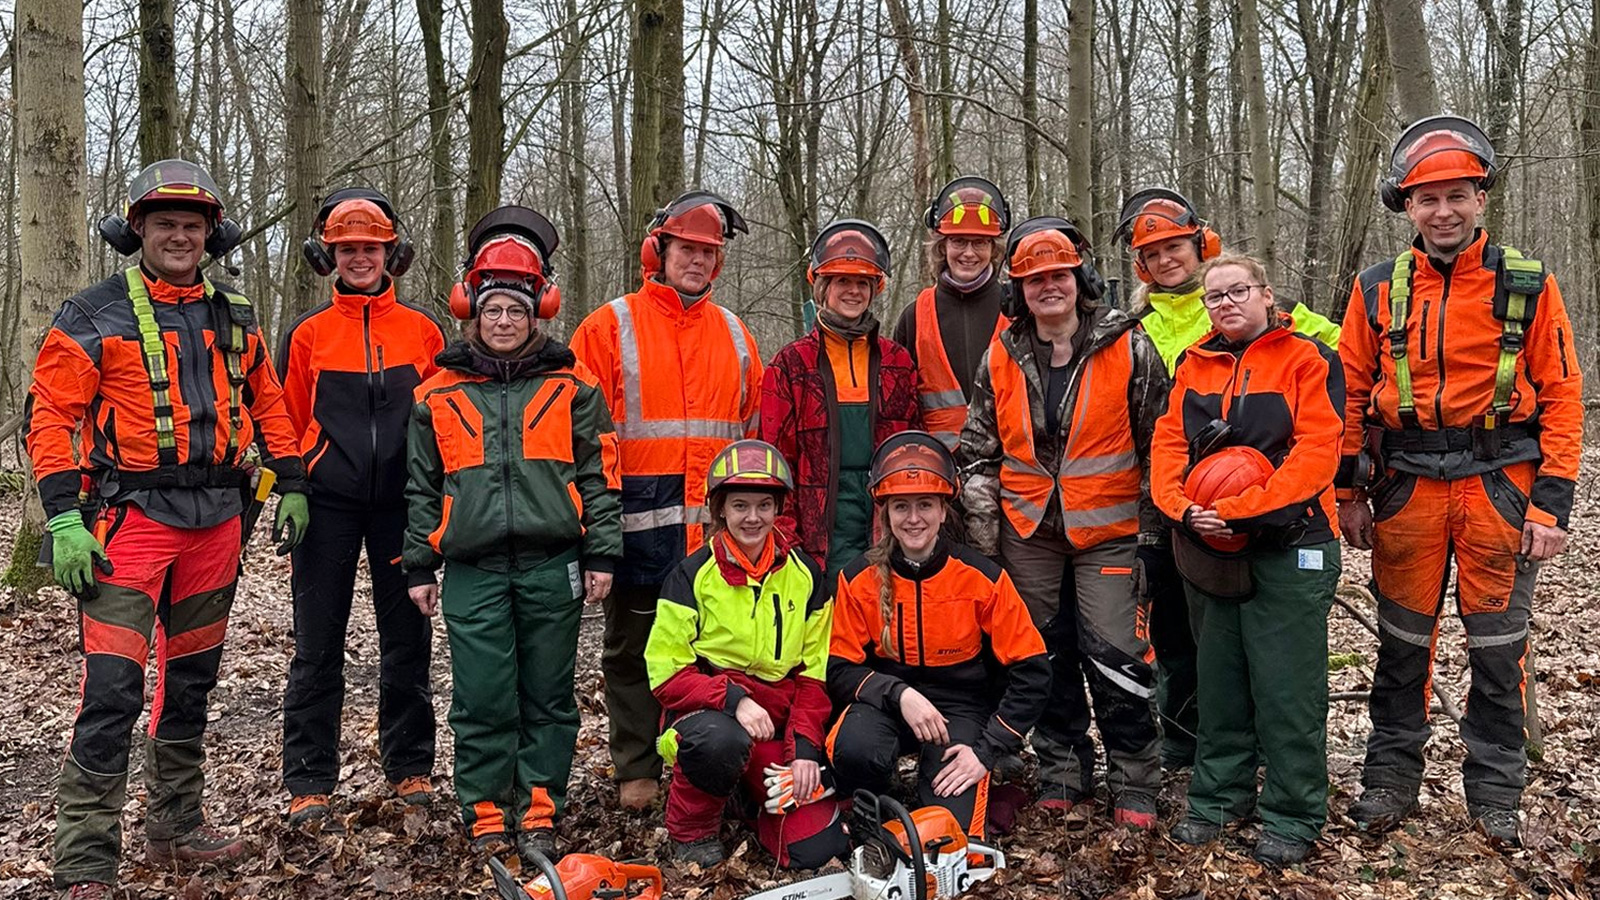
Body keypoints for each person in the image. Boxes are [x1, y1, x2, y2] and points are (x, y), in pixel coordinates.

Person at [27, 159, 309, 899]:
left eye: (192, 226)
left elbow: (270, 402)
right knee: (113, 689)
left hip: (218, 520)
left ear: (210, 235)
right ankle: (85, 858)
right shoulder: (92, 315)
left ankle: (177, 823)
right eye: (165, 225)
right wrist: (63, 519)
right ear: (139, 233)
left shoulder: (236, 314)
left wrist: (295, 481)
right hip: (128, 522)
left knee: (190, 682)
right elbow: (50, 419)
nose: (180, 236)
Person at [1337, 116, 1584, 848]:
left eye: (1456, 195)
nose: (1441, 211)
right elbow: (1349, 393)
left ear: (1480, 198)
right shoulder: (1378, 288)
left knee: (1498, 644)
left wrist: (1551, 503)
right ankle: (1388, 781)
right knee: (1402, 640)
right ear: (1406, 207)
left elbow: (1565, 394)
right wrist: (1349, 493)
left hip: (1500, 483)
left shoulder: (1527, 284)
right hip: (1406, 483)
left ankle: (1496, 789)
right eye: (1426, 199)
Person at [403, 206, 622, 862]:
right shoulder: (436, 393)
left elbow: (599, 473)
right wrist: (418, 564)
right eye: (493, 310)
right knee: (481, 694)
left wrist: (602, 550)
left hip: (552, 561)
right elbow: (419, 489)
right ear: (472, 312)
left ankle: (541, 806)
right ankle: (487, 807)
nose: (503, 321)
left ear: (538, 313)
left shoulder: (574, 385)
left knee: (549, 694)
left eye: (516, 311)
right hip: (471, 567)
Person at [1114, 188, 1341, 768]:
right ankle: (1189, 751)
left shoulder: (1278, 318)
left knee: (1269, 649)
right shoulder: (1134, 325)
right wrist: (1173, 500)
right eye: (1153, 253)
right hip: (1178, 499)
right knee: (1180, 637)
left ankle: (1269, 754)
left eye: (1175, 247)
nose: (1168, 260)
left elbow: (1346, 355)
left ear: (1200, 243)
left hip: (1269, 502)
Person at [957, 217, 1166, 827]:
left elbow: (1162, 445)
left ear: (1081, 279)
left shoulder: (1130, 343)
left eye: (1059, 276)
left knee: (1117, 656)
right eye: (1033, 279)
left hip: (1112, 530)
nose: (1049, 287)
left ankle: (1134, 779)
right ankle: (1062, 770)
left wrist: (1153, 536)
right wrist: (983, 527)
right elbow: (977, 447)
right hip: (1027, 531)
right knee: (1040, 654)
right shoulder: (1003, 352)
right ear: (1016, 289)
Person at [570, 190, 764, 811]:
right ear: (659, 250)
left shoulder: (735, 334)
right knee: (633, 646)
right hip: (632, 518)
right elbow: (579, 433)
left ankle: (702, 761)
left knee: (711, 651)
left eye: (709, 253)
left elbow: (750, 432)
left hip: (713, 530)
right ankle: (635, 763)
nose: (698, 262)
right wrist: (594, 520)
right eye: (687, 249)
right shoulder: (608, 325)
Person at [1150, 254, 1346, 867]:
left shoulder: (1308, 358)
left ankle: (1292, 811)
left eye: (1238, 291)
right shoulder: (1194, 364)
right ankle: (1217, 799)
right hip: (1210, 545)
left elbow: (1318, 451)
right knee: (1220, 679)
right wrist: (1183, 508)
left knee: (1287, 687)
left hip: (1292, 541)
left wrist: (1244, 507)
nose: (1226, 303)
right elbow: (1167, 446)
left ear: (1266, 293)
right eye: (1214, 296)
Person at [277, 188, 447, 825]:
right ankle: (309, 780)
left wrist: (441, 499)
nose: (358, 259)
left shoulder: (423, 330)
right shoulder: (307, 333)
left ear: (390, 254)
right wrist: (292, 482)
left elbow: (441, 422)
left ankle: (408, 769)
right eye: (346, 249)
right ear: (329, 254)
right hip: (327, 506)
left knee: (407, 640)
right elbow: (286, 418)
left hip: (405, 506)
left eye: (369, 249)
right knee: (317, 645)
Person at [829, 431, 1049, 840]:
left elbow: (1033, 673)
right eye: (901, 507)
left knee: (949, 832)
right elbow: (839, 668)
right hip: (887, 702)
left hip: (959, 707)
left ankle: (967, 789)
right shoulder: (857, 578)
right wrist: (898, 694)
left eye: (925, 505)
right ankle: (865, 806)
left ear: (945, 510)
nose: (914, 519)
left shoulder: (983, 578)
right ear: (885, 514)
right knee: (855, 746)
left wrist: (986, 751)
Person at [644, 440, 847, 868]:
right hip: (706, 714)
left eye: (763, 506)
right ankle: (692, 830)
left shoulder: (807, 575)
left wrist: (806, 751)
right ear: (720, 510)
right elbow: (666, 675)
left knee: (814, 851)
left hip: (778, 722)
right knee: (718, 742)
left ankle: (747, 799)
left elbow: (814, 675)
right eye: (739, 505)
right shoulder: (690, 576)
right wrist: (733, 699)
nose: (752, 518)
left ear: (778, 510)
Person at [762, 219, 921, 581]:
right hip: (817, 524)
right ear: (822, 287)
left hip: (885, 515)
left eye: (862, 282)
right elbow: (775, 461)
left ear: (875, 288)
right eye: (843, 281)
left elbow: (914, 446)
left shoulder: (898, 362)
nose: (853, 291)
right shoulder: (790, 365)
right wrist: (787, 535)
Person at [893, 176, 1012, 450]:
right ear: (942, 246)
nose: (969, 253)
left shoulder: (1017, 308)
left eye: (979, 242)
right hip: (938, 474)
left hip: (1008, 468)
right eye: (959, 241)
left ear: (993, 248)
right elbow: (899, 407)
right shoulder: (915, 316)